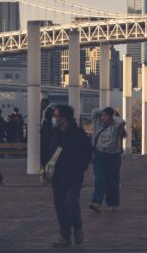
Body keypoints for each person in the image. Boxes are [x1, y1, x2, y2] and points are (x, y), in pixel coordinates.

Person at [48, 104, 93, 248]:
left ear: (63, 118)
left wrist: (80, 167)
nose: (54, 119)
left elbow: (87, 152)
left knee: (70, 204)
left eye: (56, 116)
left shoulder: (78, 133)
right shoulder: (54, 132)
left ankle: (77, 227)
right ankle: (64, 235)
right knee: (60, 206)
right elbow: (49, 152)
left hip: (73, 176)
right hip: (57, 176)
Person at [89, 107, 126, 213]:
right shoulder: (98, 124)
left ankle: (113, 203)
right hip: (100, 155)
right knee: (99, 178)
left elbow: (122, 121)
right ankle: (96, 202)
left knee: (112, 180)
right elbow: (94, 111)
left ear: (111, 117)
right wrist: (106, 110)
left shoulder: (116, 126)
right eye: (102, 115)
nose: (102, 117)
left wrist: (113, 114)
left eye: (105, 115)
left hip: (113, 156)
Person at [40, 99, 55, 165]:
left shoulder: (49, 111)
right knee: (44, 150)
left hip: (47, 134)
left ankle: (45, 164)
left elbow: (50, 123)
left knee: (46, 150)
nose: (41, 105)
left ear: (46, 103)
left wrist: (46, 131)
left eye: (42, 103)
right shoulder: (44, 111)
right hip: (45, 133)